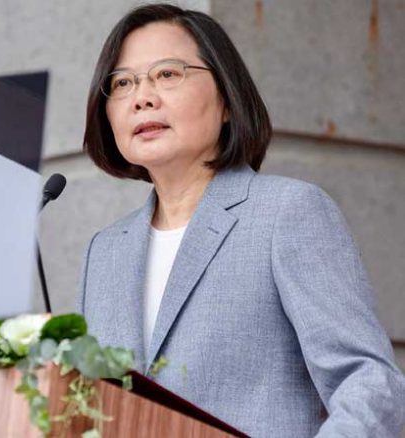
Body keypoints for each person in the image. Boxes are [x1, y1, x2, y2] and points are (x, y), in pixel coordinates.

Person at [76, 4, 405, 437]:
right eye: (122, 83)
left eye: (168, 74)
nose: (142, 98)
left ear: (227, 100)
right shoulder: (105, 252)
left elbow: (369, 383)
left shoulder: (287, 213)